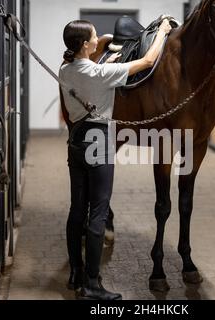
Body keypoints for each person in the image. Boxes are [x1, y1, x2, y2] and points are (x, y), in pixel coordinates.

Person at [59, 18, 172, 300]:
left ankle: (76, 272)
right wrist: (163, 33)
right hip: (98, 141)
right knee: (98, 213)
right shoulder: (101, 74)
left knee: (77, 210)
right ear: (85, 45)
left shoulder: (66, 69)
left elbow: (91, 66)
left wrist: (105, 43)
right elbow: (147, 61)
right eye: (94, 37)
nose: (99, 39)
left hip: (76, 142)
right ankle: (92, 285)